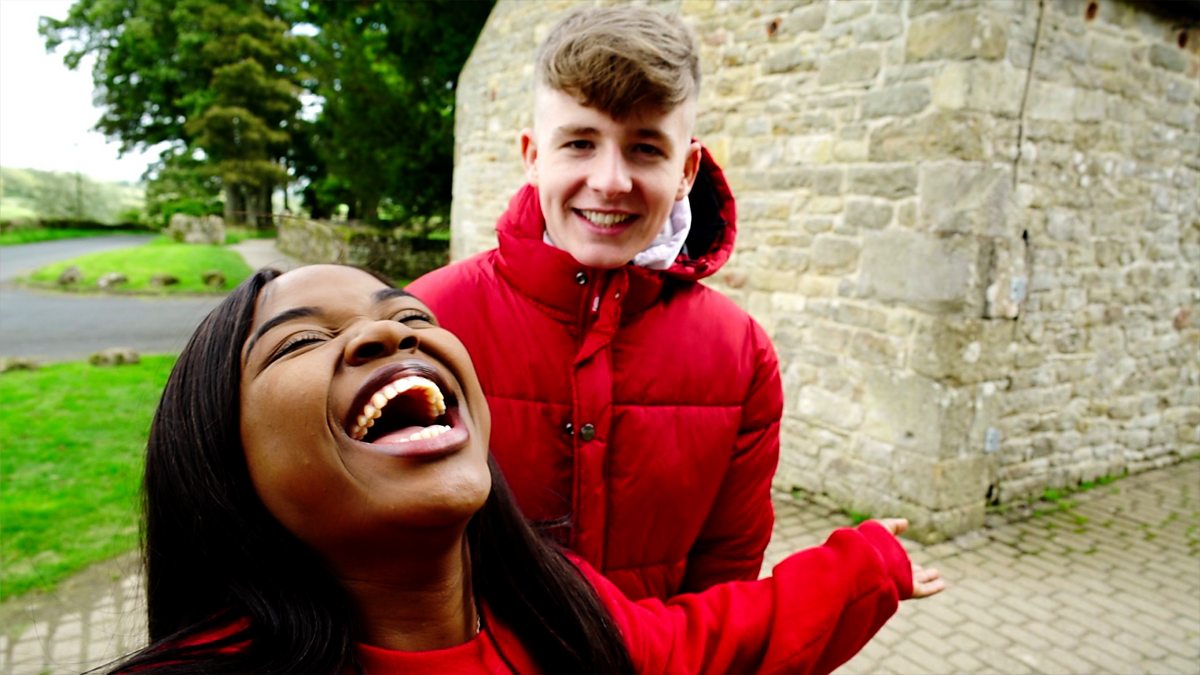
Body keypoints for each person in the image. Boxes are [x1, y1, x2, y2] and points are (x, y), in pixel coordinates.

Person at [108, 264, 942, 674]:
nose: (389, 335)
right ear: (222, 457)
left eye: (411, 317)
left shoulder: (558, 608)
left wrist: (865, 564)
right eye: (299, 339)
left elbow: (705, 642)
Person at [408, 4, 782, 602]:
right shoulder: (426, 323)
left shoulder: (742, 356)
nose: (611, 181)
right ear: (533, 156)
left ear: (687, 169)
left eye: (646, 148)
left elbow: (725, 583)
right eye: (580, 142)